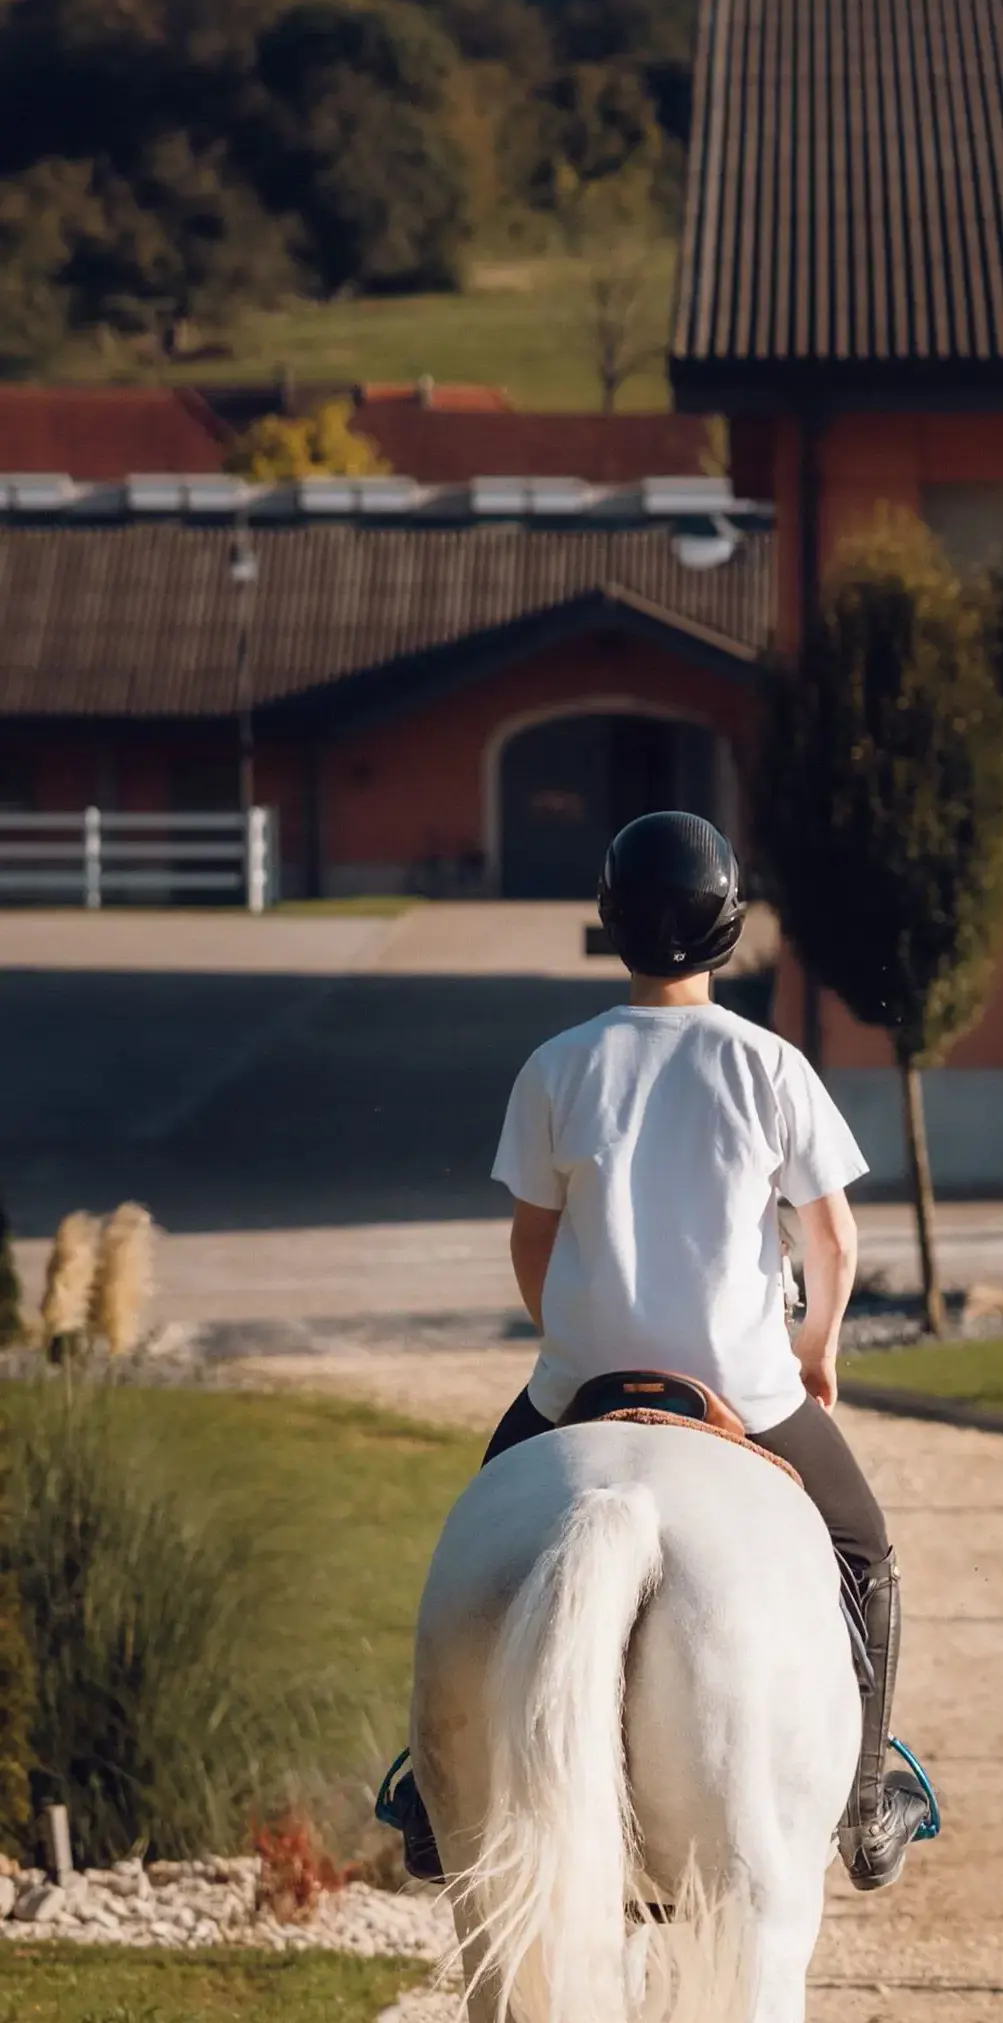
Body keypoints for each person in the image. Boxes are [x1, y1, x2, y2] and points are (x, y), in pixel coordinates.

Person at [381, 810, 935, 1896]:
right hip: (746, 1384)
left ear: (612, 923)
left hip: (579, 1383)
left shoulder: (557, 1065)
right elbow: (830, 1237)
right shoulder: (771, 1063)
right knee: (863, 1547)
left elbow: (532, 1239)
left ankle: (429, 1796)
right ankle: (868, 1798)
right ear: (730, 928)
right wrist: (814, 1350)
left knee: (474, 1537)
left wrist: (572, 1335)